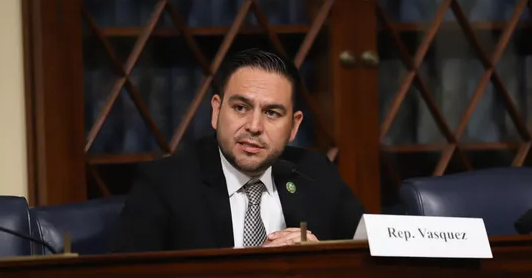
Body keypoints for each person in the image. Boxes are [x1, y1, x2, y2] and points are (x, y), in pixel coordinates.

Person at [111, 48, 365, 253]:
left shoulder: (315, 173)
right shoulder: (164, 184)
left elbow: (369, 252)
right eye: (241, 108)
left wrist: (320, 261)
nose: (254, 127)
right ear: (217, 111)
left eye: (272, 113)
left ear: (294, 126)